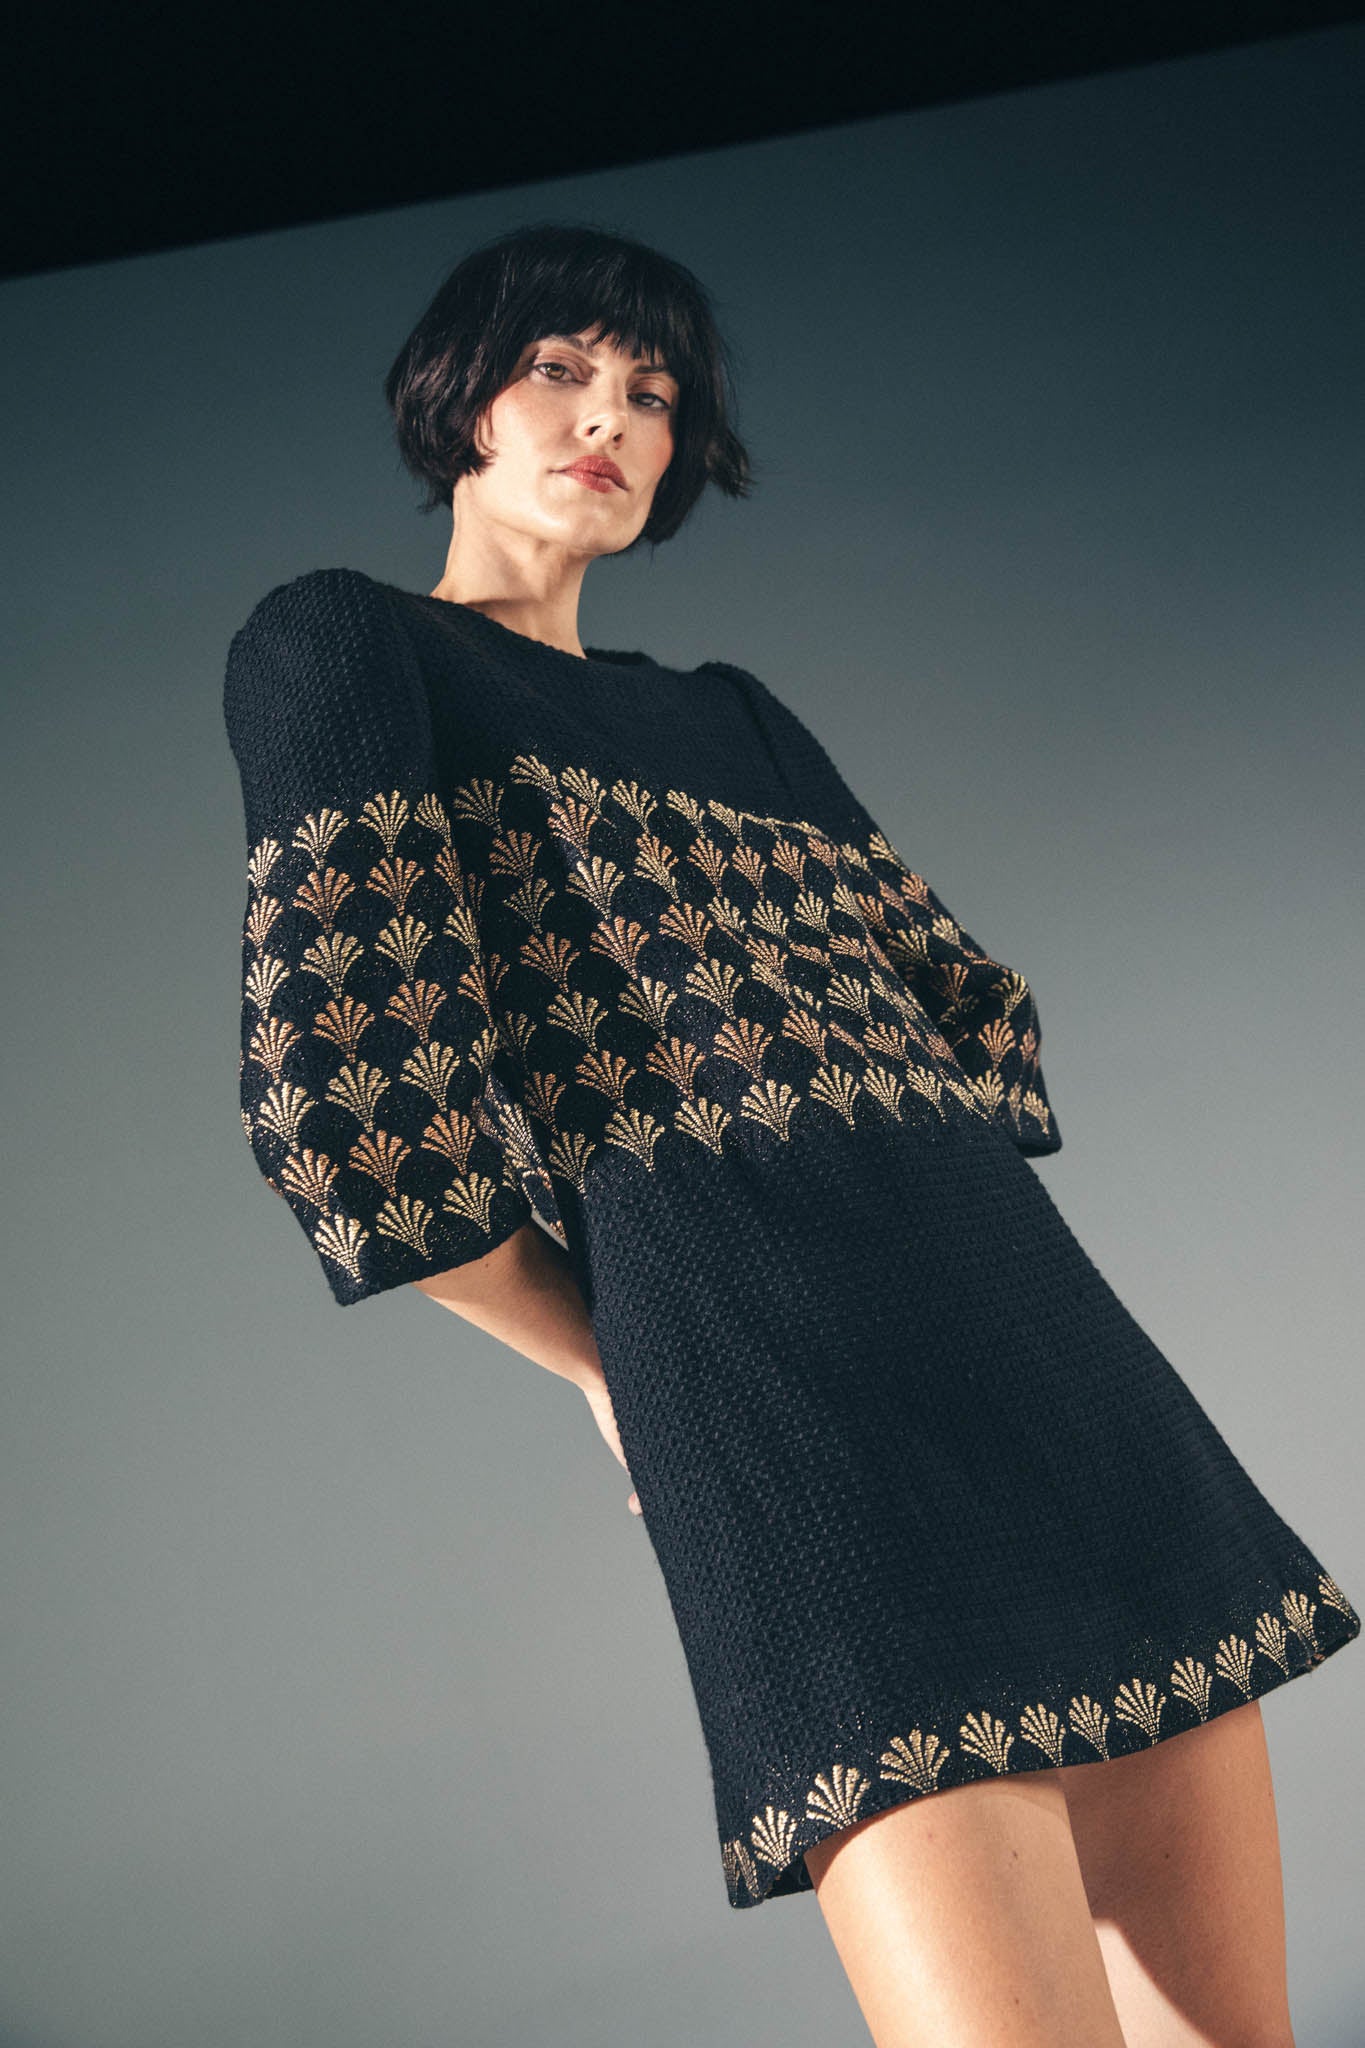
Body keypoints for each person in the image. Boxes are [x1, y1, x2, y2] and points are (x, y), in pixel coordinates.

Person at [222, 219, 1359, 2046]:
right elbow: (351, 1099)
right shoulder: (345, 646)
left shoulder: (735, 718)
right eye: (561, 370)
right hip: (782, 1417)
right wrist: (610, 1359)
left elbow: (965, 1011)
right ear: (463, 400)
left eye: (654, 392)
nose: (610, 417)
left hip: (1047, 1364)